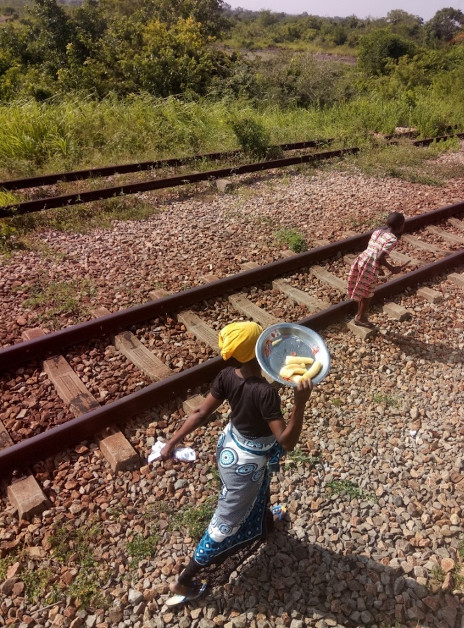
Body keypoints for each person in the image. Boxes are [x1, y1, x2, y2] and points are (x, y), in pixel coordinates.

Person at [160, 321, 313, 606]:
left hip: (230, 448)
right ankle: (185, 580)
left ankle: (265, 522)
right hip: (248, 464)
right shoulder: (266, 393)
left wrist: (172, 442)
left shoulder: (228, 375)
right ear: (260, 350)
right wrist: (300, 403)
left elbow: (200, 412)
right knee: (225, 522)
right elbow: (286, 442)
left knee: (258, 492)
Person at [347, 211, 407, 327]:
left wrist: (380, 269)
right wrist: (392, 268)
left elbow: (374, 250)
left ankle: (359, 315)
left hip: (362, 259)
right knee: (368, 293)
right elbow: (379, 257)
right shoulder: (392, 239)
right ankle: (360, 318)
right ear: (400, 226)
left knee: (364, 288)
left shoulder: (378, 232)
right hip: (370, 264)